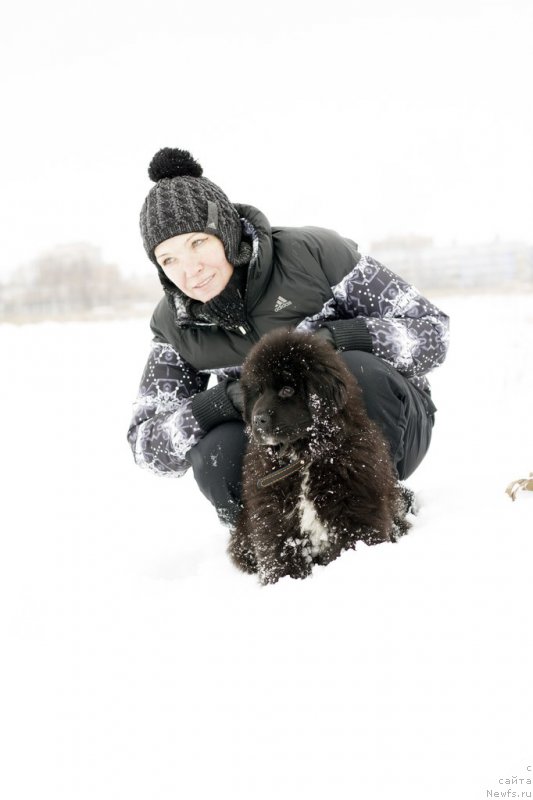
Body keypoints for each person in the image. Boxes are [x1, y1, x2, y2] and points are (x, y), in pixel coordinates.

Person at [127, 147, 449, 528]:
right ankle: (276, 534)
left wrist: (341, 338)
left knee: (356, 369)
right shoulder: (173, 324)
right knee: (215, 447)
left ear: (225, 232)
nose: (190, 269)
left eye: (198, 243)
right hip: (276, 451)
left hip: (388, 428)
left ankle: (380, 500)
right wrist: (217, 403)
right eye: (169, 259)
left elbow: (432, 332)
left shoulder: (314, 255)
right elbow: (147, 444)